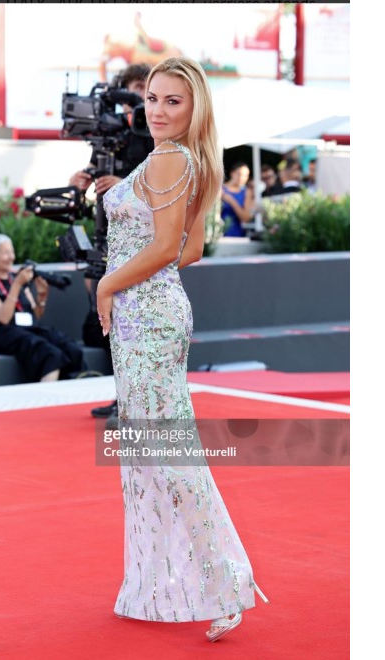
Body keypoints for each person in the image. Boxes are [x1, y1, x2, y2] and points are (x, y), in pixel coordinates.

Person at [96, 56, 269, 641]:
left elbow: (169, 244)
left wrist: (108, 281)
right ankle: (161, 584)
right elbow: (189, 250)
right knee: (155, 452)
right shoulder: (185, 160)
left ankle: (225, 584)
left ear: (194, 107)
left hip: (145, 320)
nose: (159, 111)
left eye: (173, 101)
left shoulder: (170, 159)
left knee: (165, 455)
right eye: (152, 99)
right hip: (153, 315)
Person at [69, 63, 155, 419]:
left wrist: (120, 182)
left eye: (143, 88)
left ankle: (142, 404)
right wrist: (80, 180)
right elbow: (95, 170)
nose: (137, 96)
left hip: (141, 240)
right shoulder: (108, 134)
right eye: (134, 87)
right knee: (107, 324)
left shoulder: (153, 134)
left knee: (137, 324)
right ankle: (123, 397)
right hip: (105, 236)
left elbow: (160, 186)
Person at [0, 234, 86, 382]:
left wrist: (42, 297)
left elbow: (35, 315)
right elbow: (3, 317)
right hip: (9, 334)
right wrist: (17, 285)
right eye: (5, 253)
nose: (11, 257)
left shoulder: (17, 278)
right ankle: (48, 398)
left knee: (70, 348)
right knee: (50, 354)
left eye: (11, 251)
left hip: (32, 329)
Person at [220, 162, 253, 237]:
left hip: (237, 233)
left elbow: (246, 218)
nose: (242, 178)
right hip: (220, 232)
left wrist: (231, 201)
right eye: (239, 174)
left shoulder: (247, 192)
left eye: (246, 175)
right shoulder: (220, 189)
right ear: (232, 173)